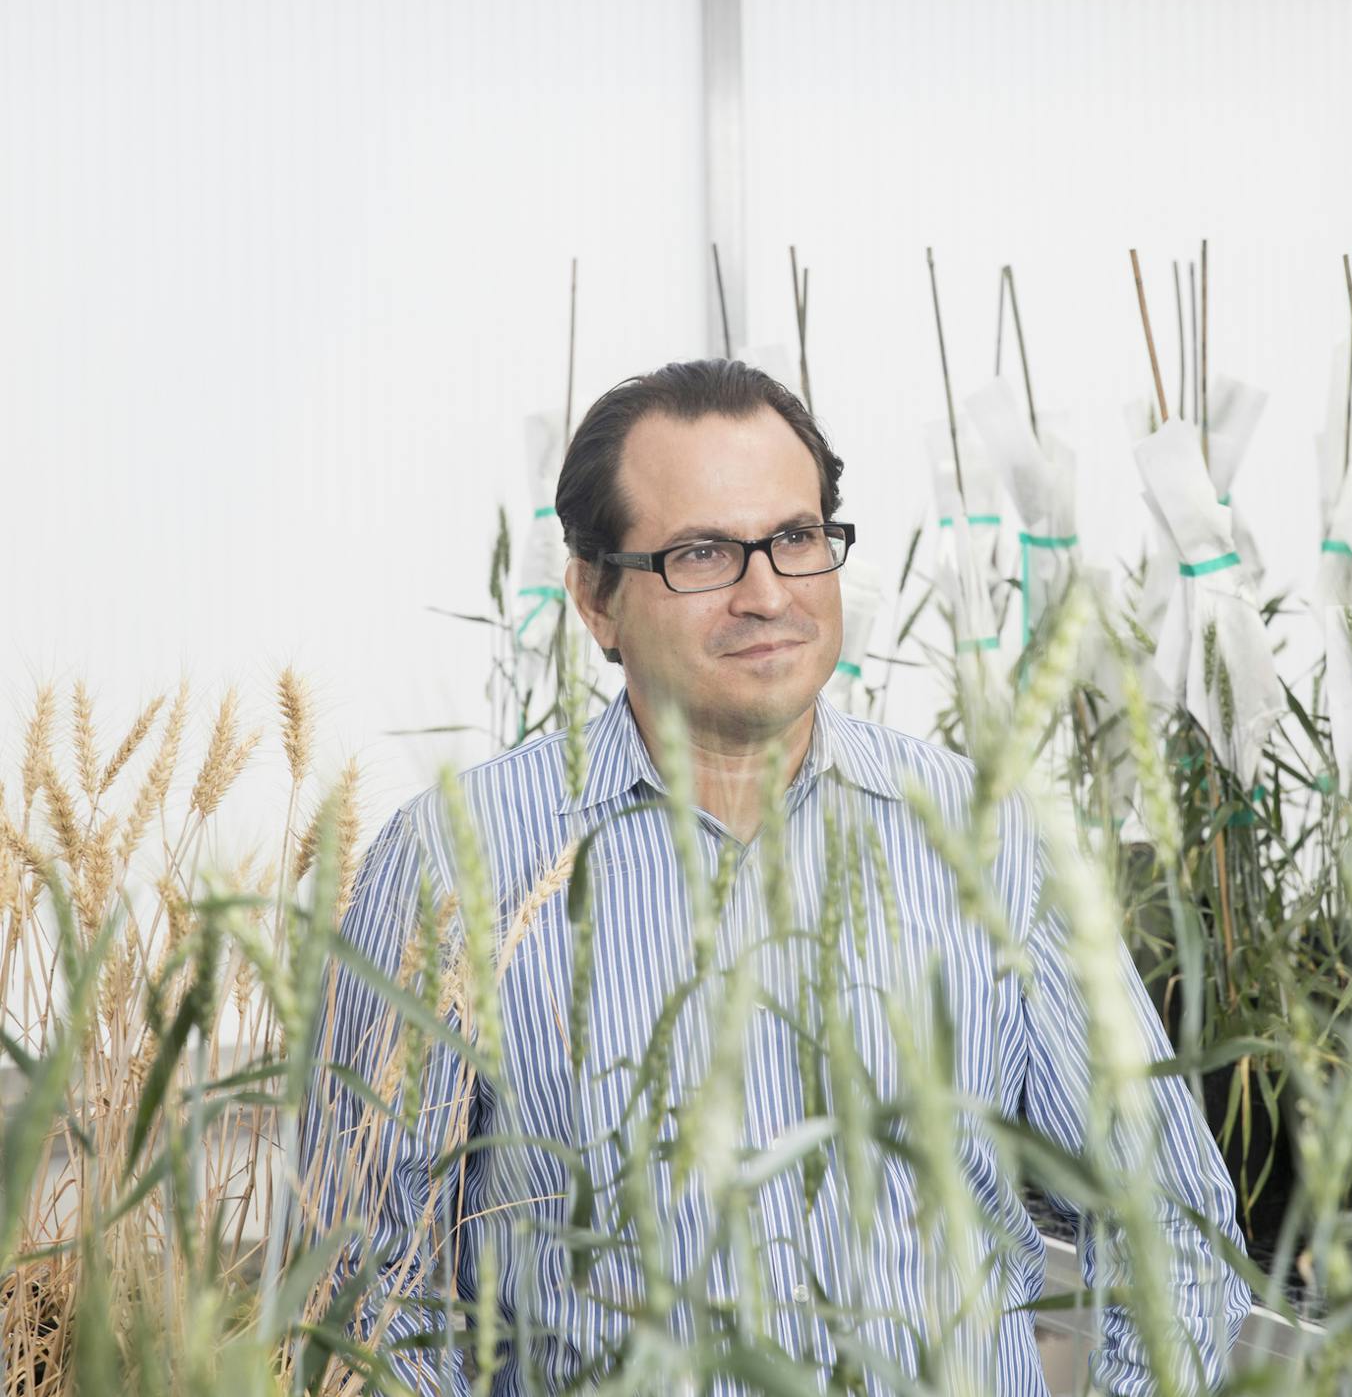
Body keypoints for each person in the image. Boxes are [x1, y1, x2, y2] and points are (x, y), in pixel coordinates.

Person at [303, 358, 1251, 1395]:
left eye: (795, 538)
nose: (766, 593)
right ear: (594, 596)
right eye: (701, 552)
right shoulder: (454, 862)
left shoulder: (992, 843)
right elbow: (365, 1287)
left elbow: (1171, 1226)